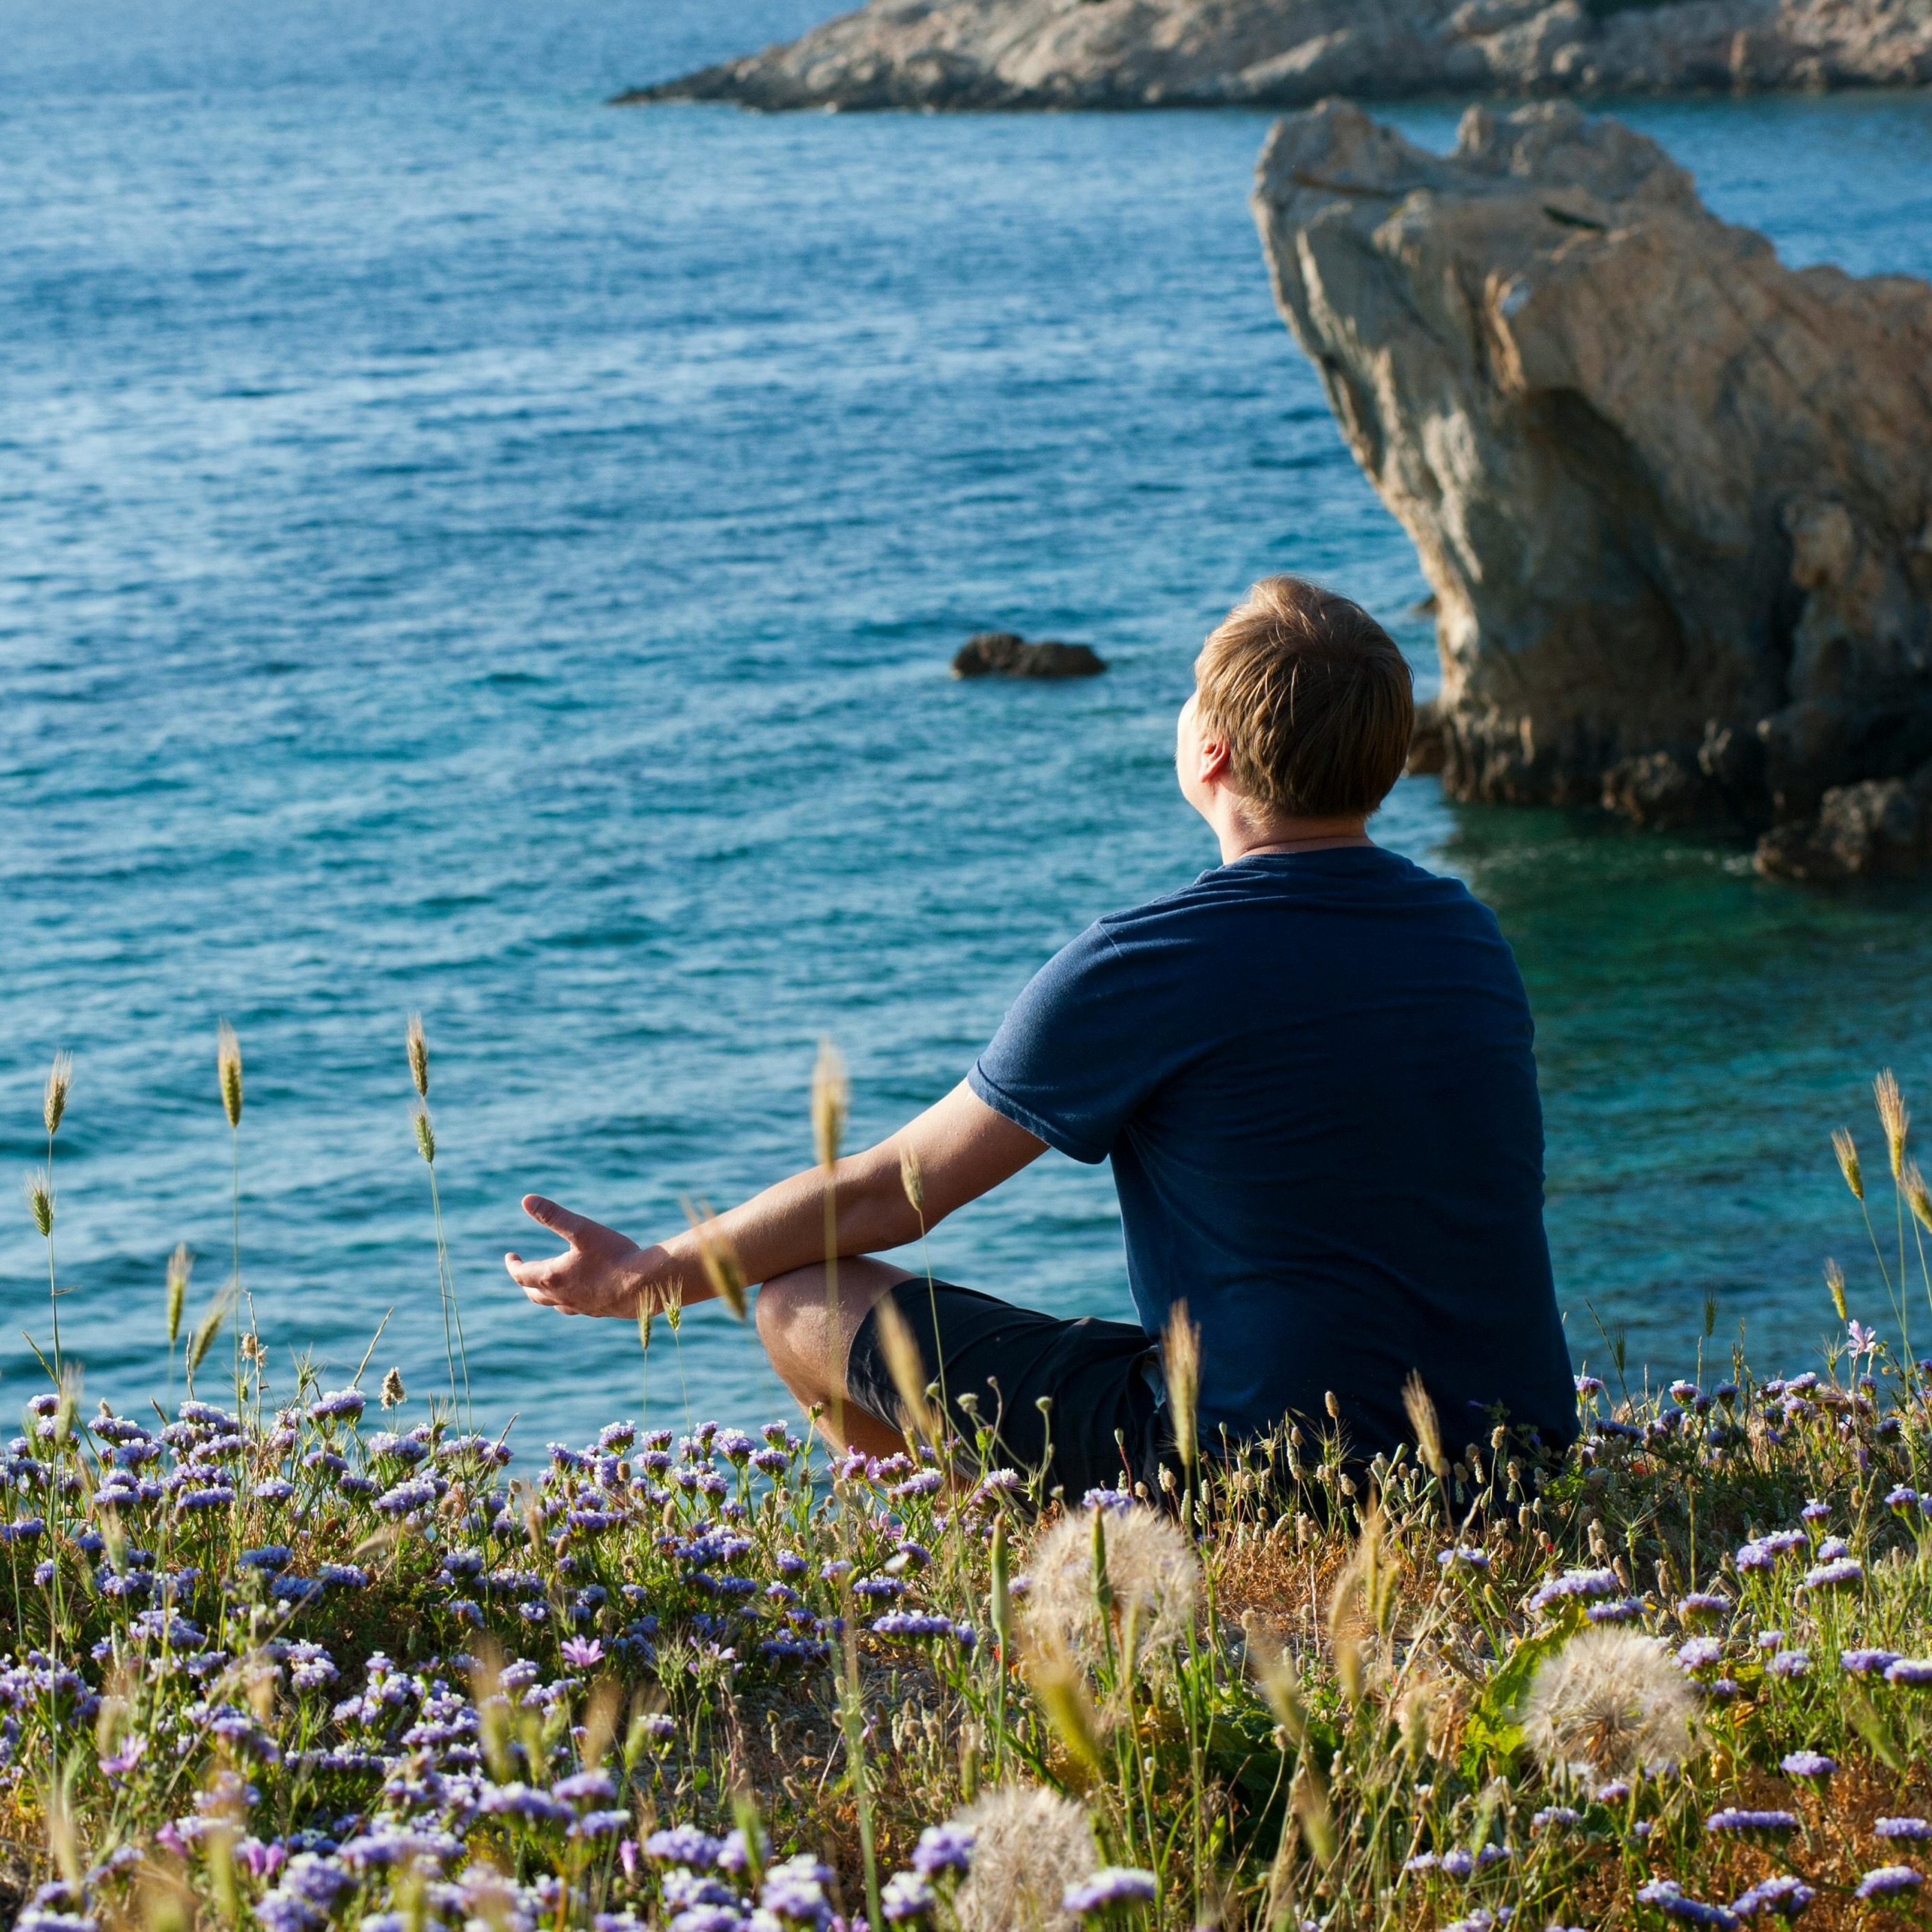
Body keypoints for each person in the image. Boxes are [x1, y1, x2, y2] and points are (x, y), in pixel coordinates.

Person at [506, 576, 1577, 1496]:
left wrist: (648, 1274)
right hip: (1514, 1460)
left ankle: (947, 1573)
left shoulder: (1152, 962)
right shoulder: (1468, 936)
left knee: (801, 1300)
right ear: (1388, 760)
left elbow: (894, 1193)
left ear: (1209, 752)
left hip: (1268, 1470)